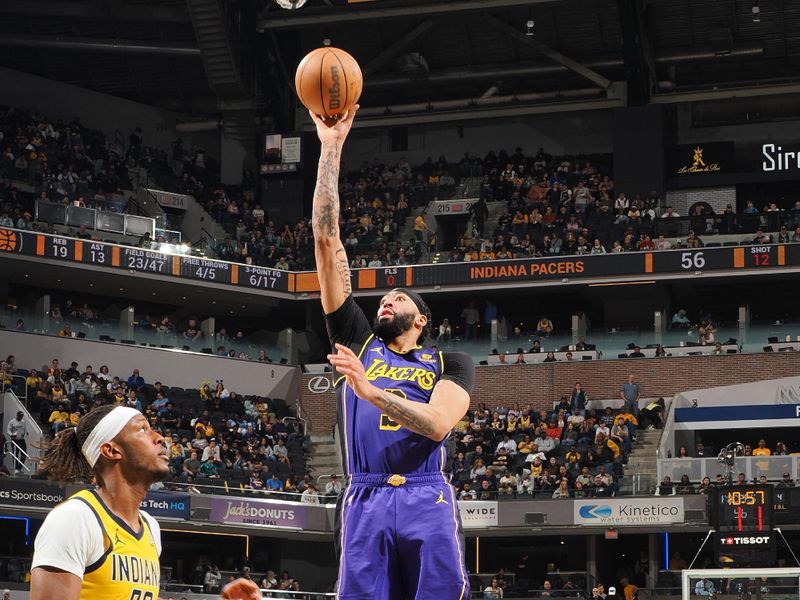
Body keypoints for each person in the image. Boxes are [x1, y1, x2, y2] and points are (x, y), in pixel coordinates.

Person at [309, 105, 475, 600]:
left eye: (400, 298)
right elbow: (325, 238)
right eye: (384, 297)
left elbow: (438, 425)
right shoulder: (357, 340)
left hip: (427, 492)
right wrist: (330, 147)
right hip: (366, 493)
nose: (387, 299)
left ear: (421, 319)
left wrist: (369, 390)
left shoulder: (450, 362)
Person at [30, 406, 168, 600]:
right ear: (111, 450)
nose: (159, 437)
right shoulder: (75, 518)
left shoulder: (150, 526)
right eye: (142, 429)